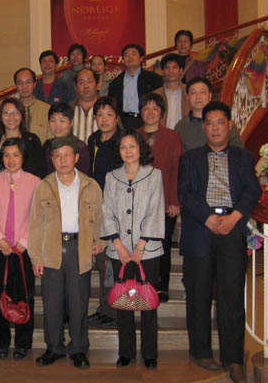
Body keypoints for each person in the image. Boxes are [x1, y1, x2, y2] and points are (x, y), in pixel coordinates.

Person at [178, 102, 261, 383]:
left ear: (229, 125)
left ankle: (234, 358)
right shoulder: (190, 158)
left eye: (220, 123)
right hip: (200, 229)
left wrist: (235, 217)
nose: (215, 128)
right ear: (204, 127)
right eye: (210, 123)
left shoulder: (243, 157)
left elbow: (252, 190)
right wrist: (208, 218)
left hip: (232, 229)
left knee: (232, 295)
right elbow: (185, 194)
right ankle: (200, 351)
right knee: (198, 294)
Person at [28, 136, 104, 369]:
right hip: (51, 249)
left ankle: (78, 348)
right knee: (52, 302)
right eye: (57, 156)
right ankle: (54, 347)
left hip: (79, 249)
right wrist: (36, 257)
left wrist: (99, 241)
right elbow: (35, 224)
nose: (62, 160)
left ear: (76, 158)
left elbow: (100, 218)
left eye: (67, 155)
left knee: (78, 301)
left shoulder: (91, 186)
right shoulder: (43, 186)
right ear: (52, 160)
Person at [101, 129, 165, 369]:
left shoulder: (154, 175)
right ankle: (126, 351)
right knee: (123, 301)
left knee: (148, 301)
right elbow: (106, 211)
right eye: (123, 147)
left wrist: (141, 245)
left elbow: (155, 209)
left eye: (132, 146)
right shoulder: (111, 177)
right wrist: (117, 244)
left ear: (141, 149)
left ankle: (150, 353)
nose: (128, 151)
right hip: (119, 251)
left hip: (146, 250)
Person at [0, 138, 40, 361]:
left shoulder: (35, 181)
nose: (11, 159)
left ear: (23, 157)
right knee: (0, 295)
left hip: (24, 249)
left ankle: (23, 343)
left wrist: (24, 241)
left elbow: (37, 215)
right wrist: (1, 240)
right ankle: (2, 342)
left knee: (24, 295)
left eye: (15, 154)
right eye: (6, 155)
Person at [137, 93, 183, 303]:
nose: (150, 112)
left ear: (162, 113)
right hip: (138, 202)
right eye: (146, 108)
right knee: (139, 244)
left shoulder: (172, 136)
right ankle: (141, 283)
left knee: (162, 245)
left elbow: (177, 169)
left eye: (155, 108)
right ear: (140, 112)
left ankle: (161, 286)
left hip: (164, 201)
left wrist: (174, 200)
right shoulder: (135, 135)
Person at [87, 96, 121, 328]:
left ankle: (113, 310)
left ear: (117, 118)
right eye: (100, 115)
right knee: (102, 261)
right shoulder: (93, 140)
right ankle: (104, 307)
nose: (104, 119)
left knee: (110, 262)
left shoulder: (122, 141)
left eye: (109, 114)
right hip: (95, 207)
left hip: (116, 208)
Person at [0, 97, 45, 185]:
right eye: (7, 113)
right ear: (1, 117)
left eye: (16, 112)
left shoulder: (32, 140)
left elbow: (41, 174)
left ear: (22, 116)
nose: (11, 117)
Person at [174, 77, 243, 151]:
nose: (198, 97)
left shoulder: (224, 122)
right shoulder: (181, 126)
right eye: (193, 93)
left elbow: (239, 152)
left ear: (210, 95)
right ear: (188, 96)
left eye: (202, 92)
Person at [108, 44, 163, 130]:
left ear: (141, 58)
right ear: (123, 60)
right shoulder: (116, 82)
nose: (130, 57)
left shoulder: (154, 79)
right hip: (123, 122)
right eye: (126, 55)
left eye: (133, 54)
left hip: (147, 120)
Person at [42, 102, 90, 175]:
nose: (57, 125)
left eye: (62, 121)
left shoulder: (80, 147)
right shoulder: (47, 146)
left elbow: (83, 177)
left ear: (71, 123)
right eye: (53, 121)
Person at [13, 67, 51, 143]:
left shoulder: (47, 109)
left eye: (28, 82)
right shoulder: (9, 110)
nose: (24, 86)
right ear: (16, 86)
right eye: (20, 83)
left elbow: (51, 139)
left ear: (34, 84)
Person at [152, 53, 190, 129]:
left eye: (174, 67)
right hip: (163, 133)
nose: (171, 71)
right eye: (167, 68)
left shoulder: (189, 91)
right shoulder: (156, 94)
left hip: (185, 133)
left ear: (181, 70)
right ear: (163, 71)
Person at [70, 68, 99, 143]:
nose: (86, 86)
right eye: (81, 83)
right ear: (76, 87)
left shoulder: (108, 107)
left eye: (89, 81)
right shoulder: (68, 109)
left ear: (97, 84)